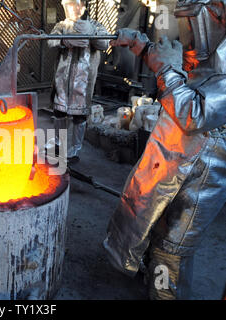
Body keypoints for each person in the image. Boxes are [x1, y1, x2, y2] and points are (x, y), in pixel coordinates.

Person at [104, 0, 226, 300]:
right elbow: (185, 79)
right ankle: (151, 283)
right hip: (178, 164)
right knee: (155, 229)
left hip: (199, 180)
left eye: (191, 24)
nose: (188, 35)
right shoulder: (208, 62)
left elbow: (194, 114)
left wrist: (164, 68)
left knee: (171, 251)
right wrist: (142, 46)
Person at [45, 0, 109, 163]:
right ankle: (57, 143)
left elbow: (104, 43)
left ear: (84, 7)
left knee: (79, 116)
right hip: (62, 80)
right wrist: (65, 40)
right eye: (71, 4)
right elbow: (50, 40)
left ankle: (74, 150)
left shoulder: (96, 25)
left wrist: (91, 33)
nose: (75, 8)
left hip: (84, 82)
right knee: (60, 112)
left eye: (78, 4)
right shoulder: (62, 25)